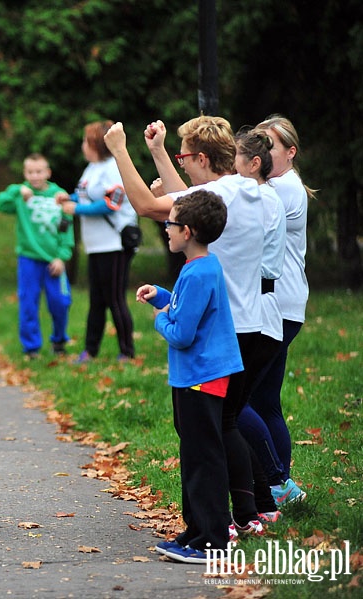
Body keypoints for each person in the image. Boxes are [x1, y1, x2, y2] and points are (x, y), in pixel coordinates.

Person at [104, 115, 275, 541]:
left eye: (182, 157)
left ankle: (221, 527)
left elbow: (149, 205)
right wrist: (160, 152)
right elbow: (186, 203)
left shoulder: (203, 256)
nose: (179, 168)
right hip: (247, 324)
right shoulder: (247, 193)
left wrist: (120, 150)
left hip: (212, 344)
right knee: (223, 428)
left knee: (208, 441)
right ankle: (243, 514)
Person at [136, 189, 241, 564]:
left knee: (204, 457)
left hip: (201, 376)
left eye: (171, 223)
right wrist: (162, 296)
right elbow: (187, 308)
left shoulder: (199, 273)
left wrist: (159, 319)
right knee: (194, 453)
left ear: (189, 231)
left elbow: (181, 333)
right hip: (192, 377)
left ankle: (212, 540)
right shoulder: (198, 268)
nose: (165, 228)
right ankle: (196, 530)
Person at [247, 115, 315, 507]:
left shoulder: (283, 189)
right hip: (284, 302)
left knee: (247, 400)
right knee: (266, 400)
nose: (262, 153)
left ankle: (278, 483)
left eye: (270, 145)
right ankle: (279, 486)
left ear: (290, 152)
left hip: (280, 302)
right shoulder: (275, 186)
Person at [231, 128, 289, 522]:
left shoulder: (260, 199)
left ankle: (276, 483)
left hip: (260, 313)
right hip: (260, 310)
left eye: (234, 158)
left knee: (233, 408)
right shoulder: (258, 196)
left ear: (254, 163)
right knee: (239, 406)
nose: (229, 167)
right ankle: (264, 501)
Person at [61, 120, 138, 363]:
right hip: (96, 245)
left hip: (114, 245)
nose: (83, 145)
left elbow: (110, 203)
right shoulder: (92, 168)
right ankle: (90, 351)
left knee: (115, 299)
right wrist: (69, 197)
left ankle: (127, 351)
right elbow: (85, 195)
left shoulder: (112, 168)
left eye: (87, 141)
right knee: (96, 301)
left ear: (98, 145)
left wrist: (76, 209)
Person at [0, 153, 74, 360]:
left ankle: (59, 340)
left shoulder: (59, 195)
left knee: (60, 302)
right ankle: (31, 348)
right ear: (24, 173)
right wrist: (17, 190)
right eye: (30, 172)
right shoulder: (21, 195)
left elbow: (67, 228)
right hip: (28, 259)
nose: (35, 176)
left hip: (54, 260)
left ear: (48, 172)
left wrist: (62, 256)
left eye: (39, 171)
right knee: (28, 302)